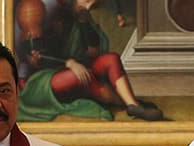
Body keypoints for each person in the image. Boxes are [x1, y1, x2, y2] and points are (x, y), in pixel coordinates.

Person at [16, 0, 162, 122]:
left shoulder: (80, 14)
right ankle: (127, 103)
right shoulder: (41, 10)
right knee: (85, 77)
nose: (89, 6)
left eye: (92, 4)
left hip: (73, 68)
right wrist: (69, 63)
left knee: (111, 59)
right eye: (87, 1)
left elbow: (93, 52)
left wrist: (84, 23)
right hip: (42, 80)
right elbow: (34, 57)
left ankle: (132, 105)